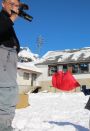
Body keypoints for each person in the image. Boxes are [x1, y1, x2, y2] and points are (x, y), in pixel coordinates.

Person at [0, 0, 20, 130]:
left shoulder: (6, 21)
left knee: (9, 94)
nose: (14, 7)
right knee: (7, 92)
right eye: (11, 3)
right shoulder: (3, 20)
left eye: (17, 5)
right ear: (3, 4)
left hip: (8, 59)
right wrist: (12, 18)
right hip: (4, 57)